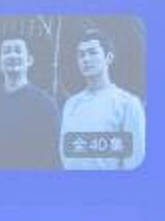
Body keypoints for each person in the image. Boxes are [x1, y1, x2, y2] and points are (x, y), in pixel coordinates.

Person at [57, 26, 145, 170]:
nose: (86, 59)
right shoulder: (71, 104)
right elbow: (66, 155)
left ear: (109, 57)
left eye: (92, 53)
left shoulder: (127, 104)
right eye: (81, 55)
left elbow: (134, 162)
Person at [0, 31, 59, 169]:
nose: (12, 55)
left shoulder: (44, 104)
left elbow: (51, 155)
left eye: (18, 51)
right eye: (7, 51)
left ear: (29, 60)